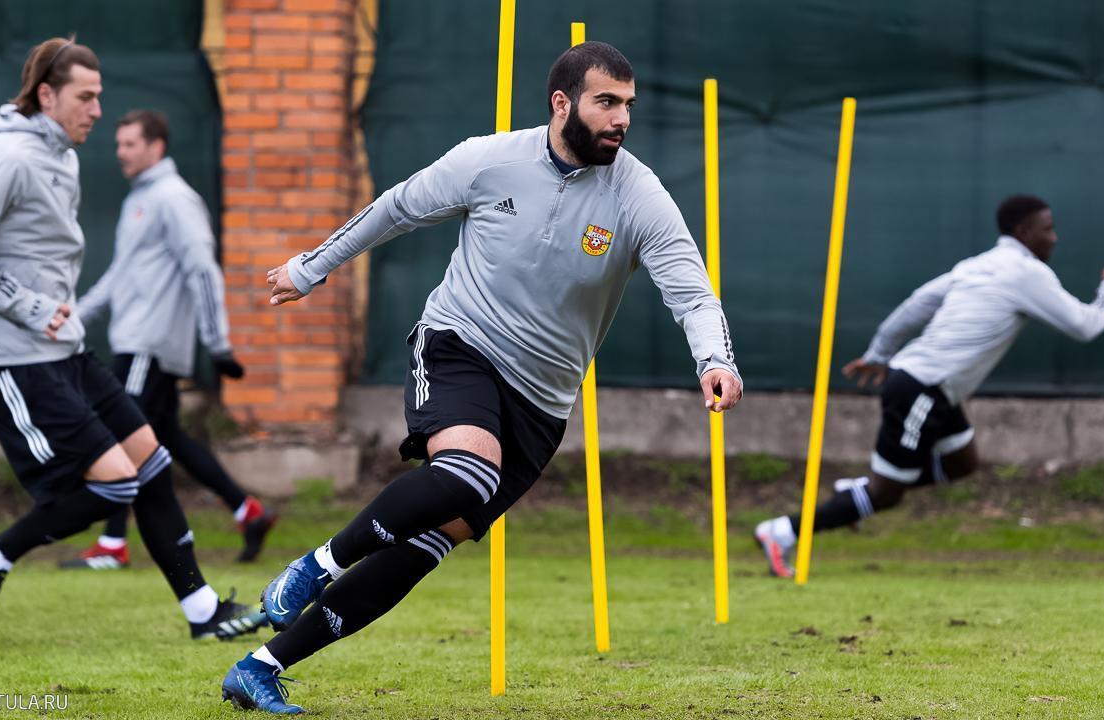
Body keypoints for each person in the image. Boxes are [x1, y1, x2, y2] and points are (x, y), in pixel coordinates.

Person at [220, 41, 743, 714]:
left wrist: (715, 360)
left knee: (426, 546)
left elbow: (692, 293)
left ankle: (260, 667)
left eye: (628, 105)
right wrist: (312, 266)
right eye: (606, 102)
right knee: (469, 473)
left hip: (542, 404)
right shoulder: (489, 160)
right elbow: (396, 207)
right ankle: (314, 567)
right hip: (459, 345)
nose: (621, 119)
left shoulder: (637, 194)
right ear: (562, 104)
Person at [0, 36, 267, 640]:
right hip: (15, 355)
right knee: (116, 482)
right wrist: (30, 306)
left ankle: (202, 613)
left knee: (152, 462)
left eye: (99, 96)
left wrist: (62, 313)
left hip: (65, 348)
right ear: (46, 95)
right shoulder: (8, 157)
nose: (97, 110)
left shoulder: (63, 158)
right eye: (85, 97)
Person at [754, 195, 1104, 578]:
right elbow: (1086, 326)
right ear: (1024, 231)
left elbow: (917, 304)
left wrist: (880, 352)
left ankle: (859, 492)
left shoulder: (977, 265)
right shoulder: (1028, 273)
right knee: (887, 495)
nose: (1054, 237)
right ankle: (782, 531)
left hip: (930, 388)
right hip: (922, 390)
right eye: (1047, 229)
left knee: (962, 463)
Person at [60, 109, 274, 570]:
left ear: (156, 146)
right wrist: (72, 318)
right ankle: (248, 511)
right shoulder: (140, 199)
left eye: (130, 144)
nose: (120, 152)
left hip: (149, 345)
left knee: (120, 434)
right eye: (118, 144)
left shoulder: (174, 199)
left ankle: (113, 545)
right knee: (166, 436)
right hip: (136, 340)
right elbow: (120, 275)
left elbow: (202, 269)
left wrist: (217, 343)